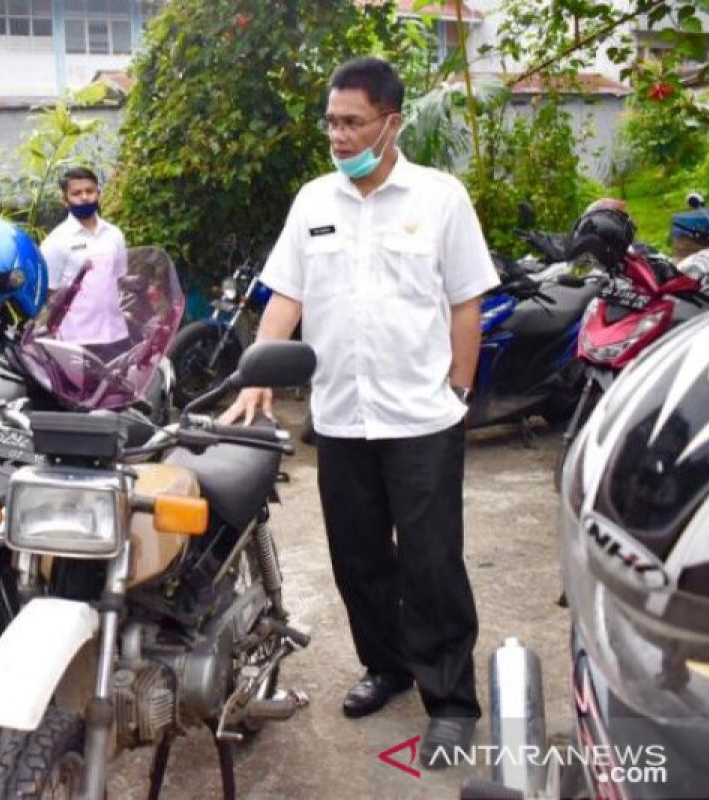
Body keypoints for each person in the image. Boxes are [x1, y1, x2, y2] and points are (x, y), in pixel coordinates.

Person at [221, 56, 498, 767]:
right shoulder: (314, 201)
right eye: (331, 122)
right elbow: (286, 295)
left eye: (353, 122)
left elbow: (467, 301)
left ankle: (451, 701)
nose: (338, 136)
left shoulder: (440, 199)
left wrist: (460, 390)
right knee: (359, 558)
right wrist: (258, 372)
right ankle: (388, 665)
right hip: (342, 416)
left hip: (421, 418)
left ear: (391, 122)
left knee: (433, 562)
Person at [39, 166, 130, 362]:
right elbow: (49, 295)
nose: (85, 197)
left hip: (116, 335)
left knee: (120, 391)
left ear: (98, 193)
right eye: (77, 193)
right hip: (76, 341)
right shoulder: (55, 242)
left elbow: (119, 280)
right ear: (65, 200)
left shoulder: (114, 235)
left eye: (89, 191)